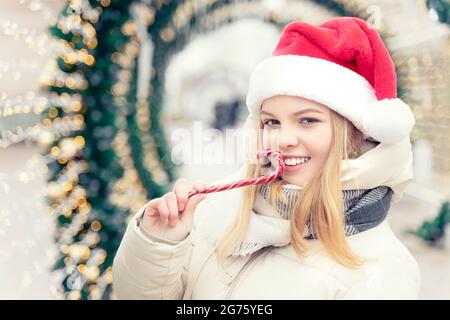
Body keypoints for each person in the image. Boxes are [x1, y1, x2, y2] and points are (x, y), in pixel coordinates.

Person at [112, 17, 420, 299]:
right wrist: (161, 245)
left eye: (307, 120)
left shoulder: (383, 270)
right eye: (272, 122)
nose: (283, 139)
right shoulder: (220, 206)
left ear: (354, 134)